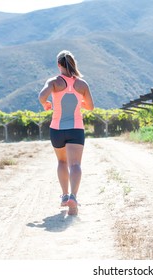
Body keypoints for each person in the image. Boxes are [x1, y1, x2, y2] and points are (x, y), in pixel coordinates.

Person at [38, 50, 94, 215]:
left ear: (58, 65)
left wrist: (46, 104)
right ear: (73, 63)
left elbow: (41, 96)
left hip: (57, 129)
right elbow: (90, 107)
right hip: (76, 129)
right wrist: (79, 102)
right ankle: (73, 198)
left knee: (62, 163)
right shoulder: (82, 84)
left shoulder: (54, 81)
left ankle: (64, 196)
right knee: (75, 164)